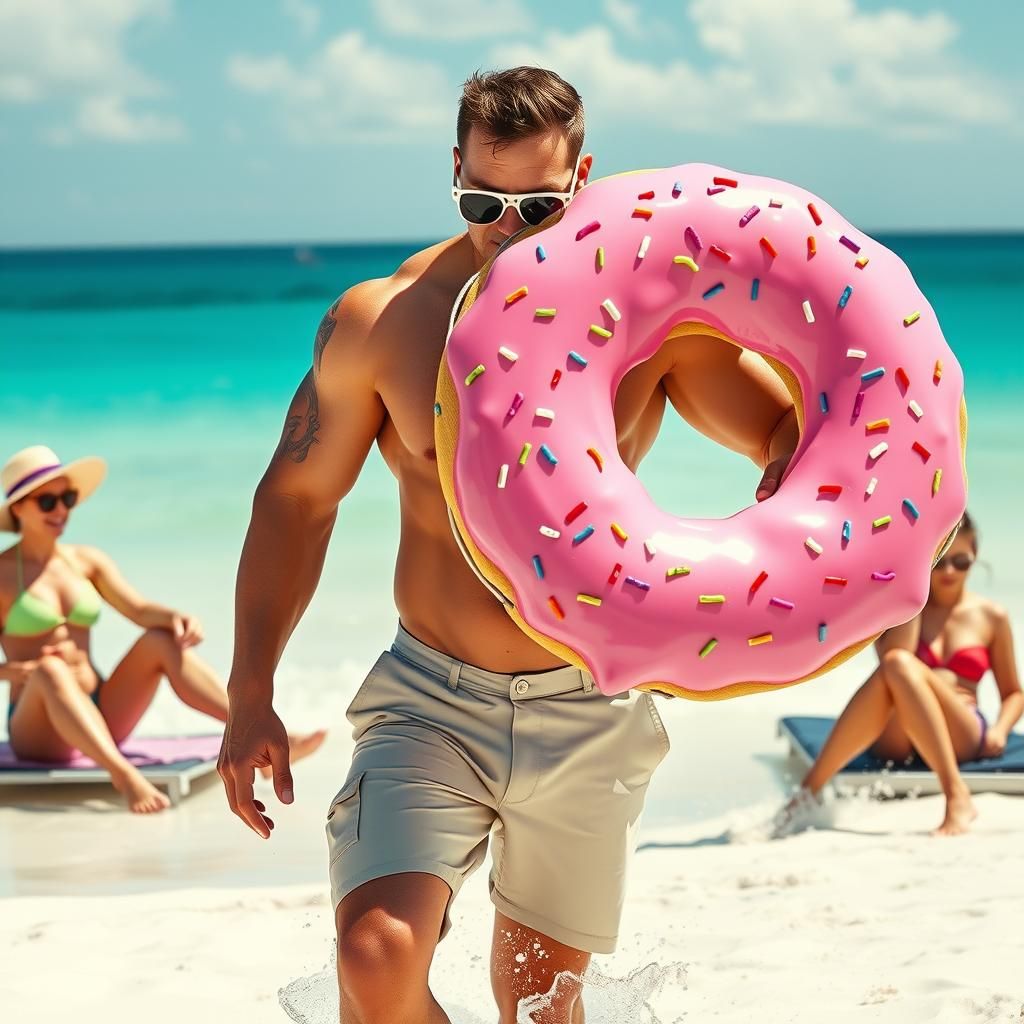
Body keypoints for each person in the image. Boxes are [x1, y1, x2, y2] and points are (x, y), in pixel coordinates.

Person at [219, 67, 800, 1023]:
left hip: (586, 701)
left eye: (538, 206)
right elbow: (296, 503)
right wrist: (250, 690)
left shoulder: (650, 314)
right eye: (482, 203)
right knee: (374, 960)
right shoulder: (384, 319)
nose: (509, 229)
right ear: (454, 170)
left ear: (583, 179)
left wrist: (788, 499)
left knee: (535, 1001)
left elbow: (777, 430)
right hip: (430, 698)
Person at [0, 445, 325, 814]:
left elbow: (139, 610)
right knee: (50, 669)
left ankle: (254, 727)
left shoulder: (85, 561)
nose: (60, 510)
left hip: (100, 711)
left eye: (67, 498)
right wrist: (18, 671)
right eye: (47, 501)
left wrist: (174, 617)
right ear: (18, 508)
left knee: (161, 641)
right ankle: (124, 776)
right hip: (39, 732)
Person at [776, 511, 1022, 838]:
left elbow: (1014, 692)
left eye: (961, 562)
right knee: (897, 663)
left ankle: (956, 795)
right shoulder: (900, 608)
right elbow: (893, 659)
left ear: (975, 555)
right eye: (940, 562)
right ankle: (810, 792)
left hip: (960, 727)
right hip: (900, 731)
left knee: (900, 663)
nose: (950, 571)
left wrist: (1001, 731)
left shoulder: (991, 616)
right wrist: (913, 585)